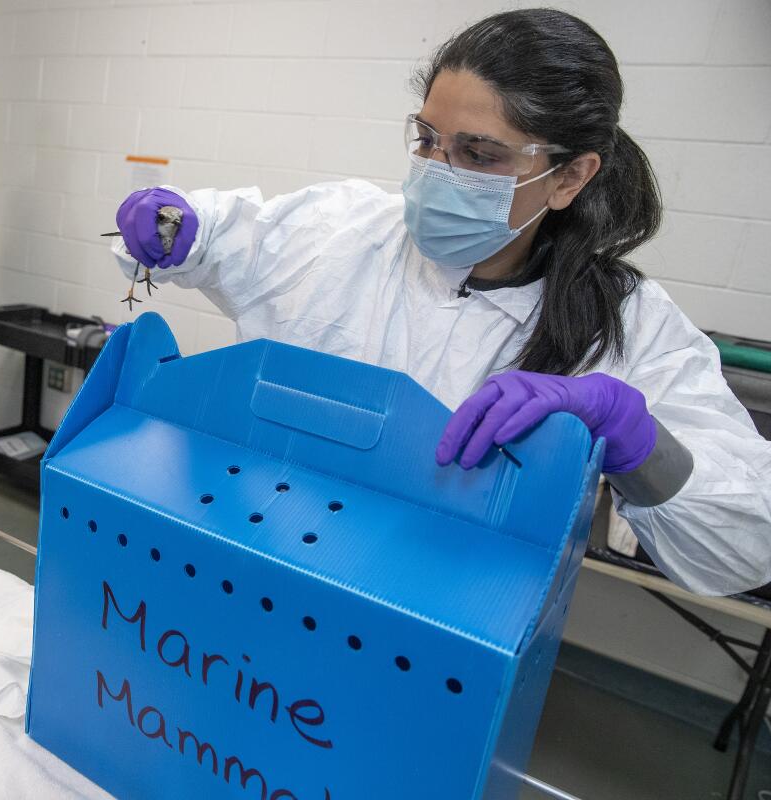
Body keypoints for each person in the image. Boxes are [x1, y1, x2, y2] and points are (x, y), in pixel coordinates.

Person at [110, 9, 771, 596]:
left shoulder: (626, 325)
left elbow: (745, 547)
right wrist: (176, 226)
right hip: (254, 563)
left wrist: (636, 438)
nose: (437, 170)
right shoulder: (344, 231)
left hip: (436, 626)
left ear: (569, 176)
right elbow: (225, 232)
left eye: (479, 154)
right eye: (427, 140)